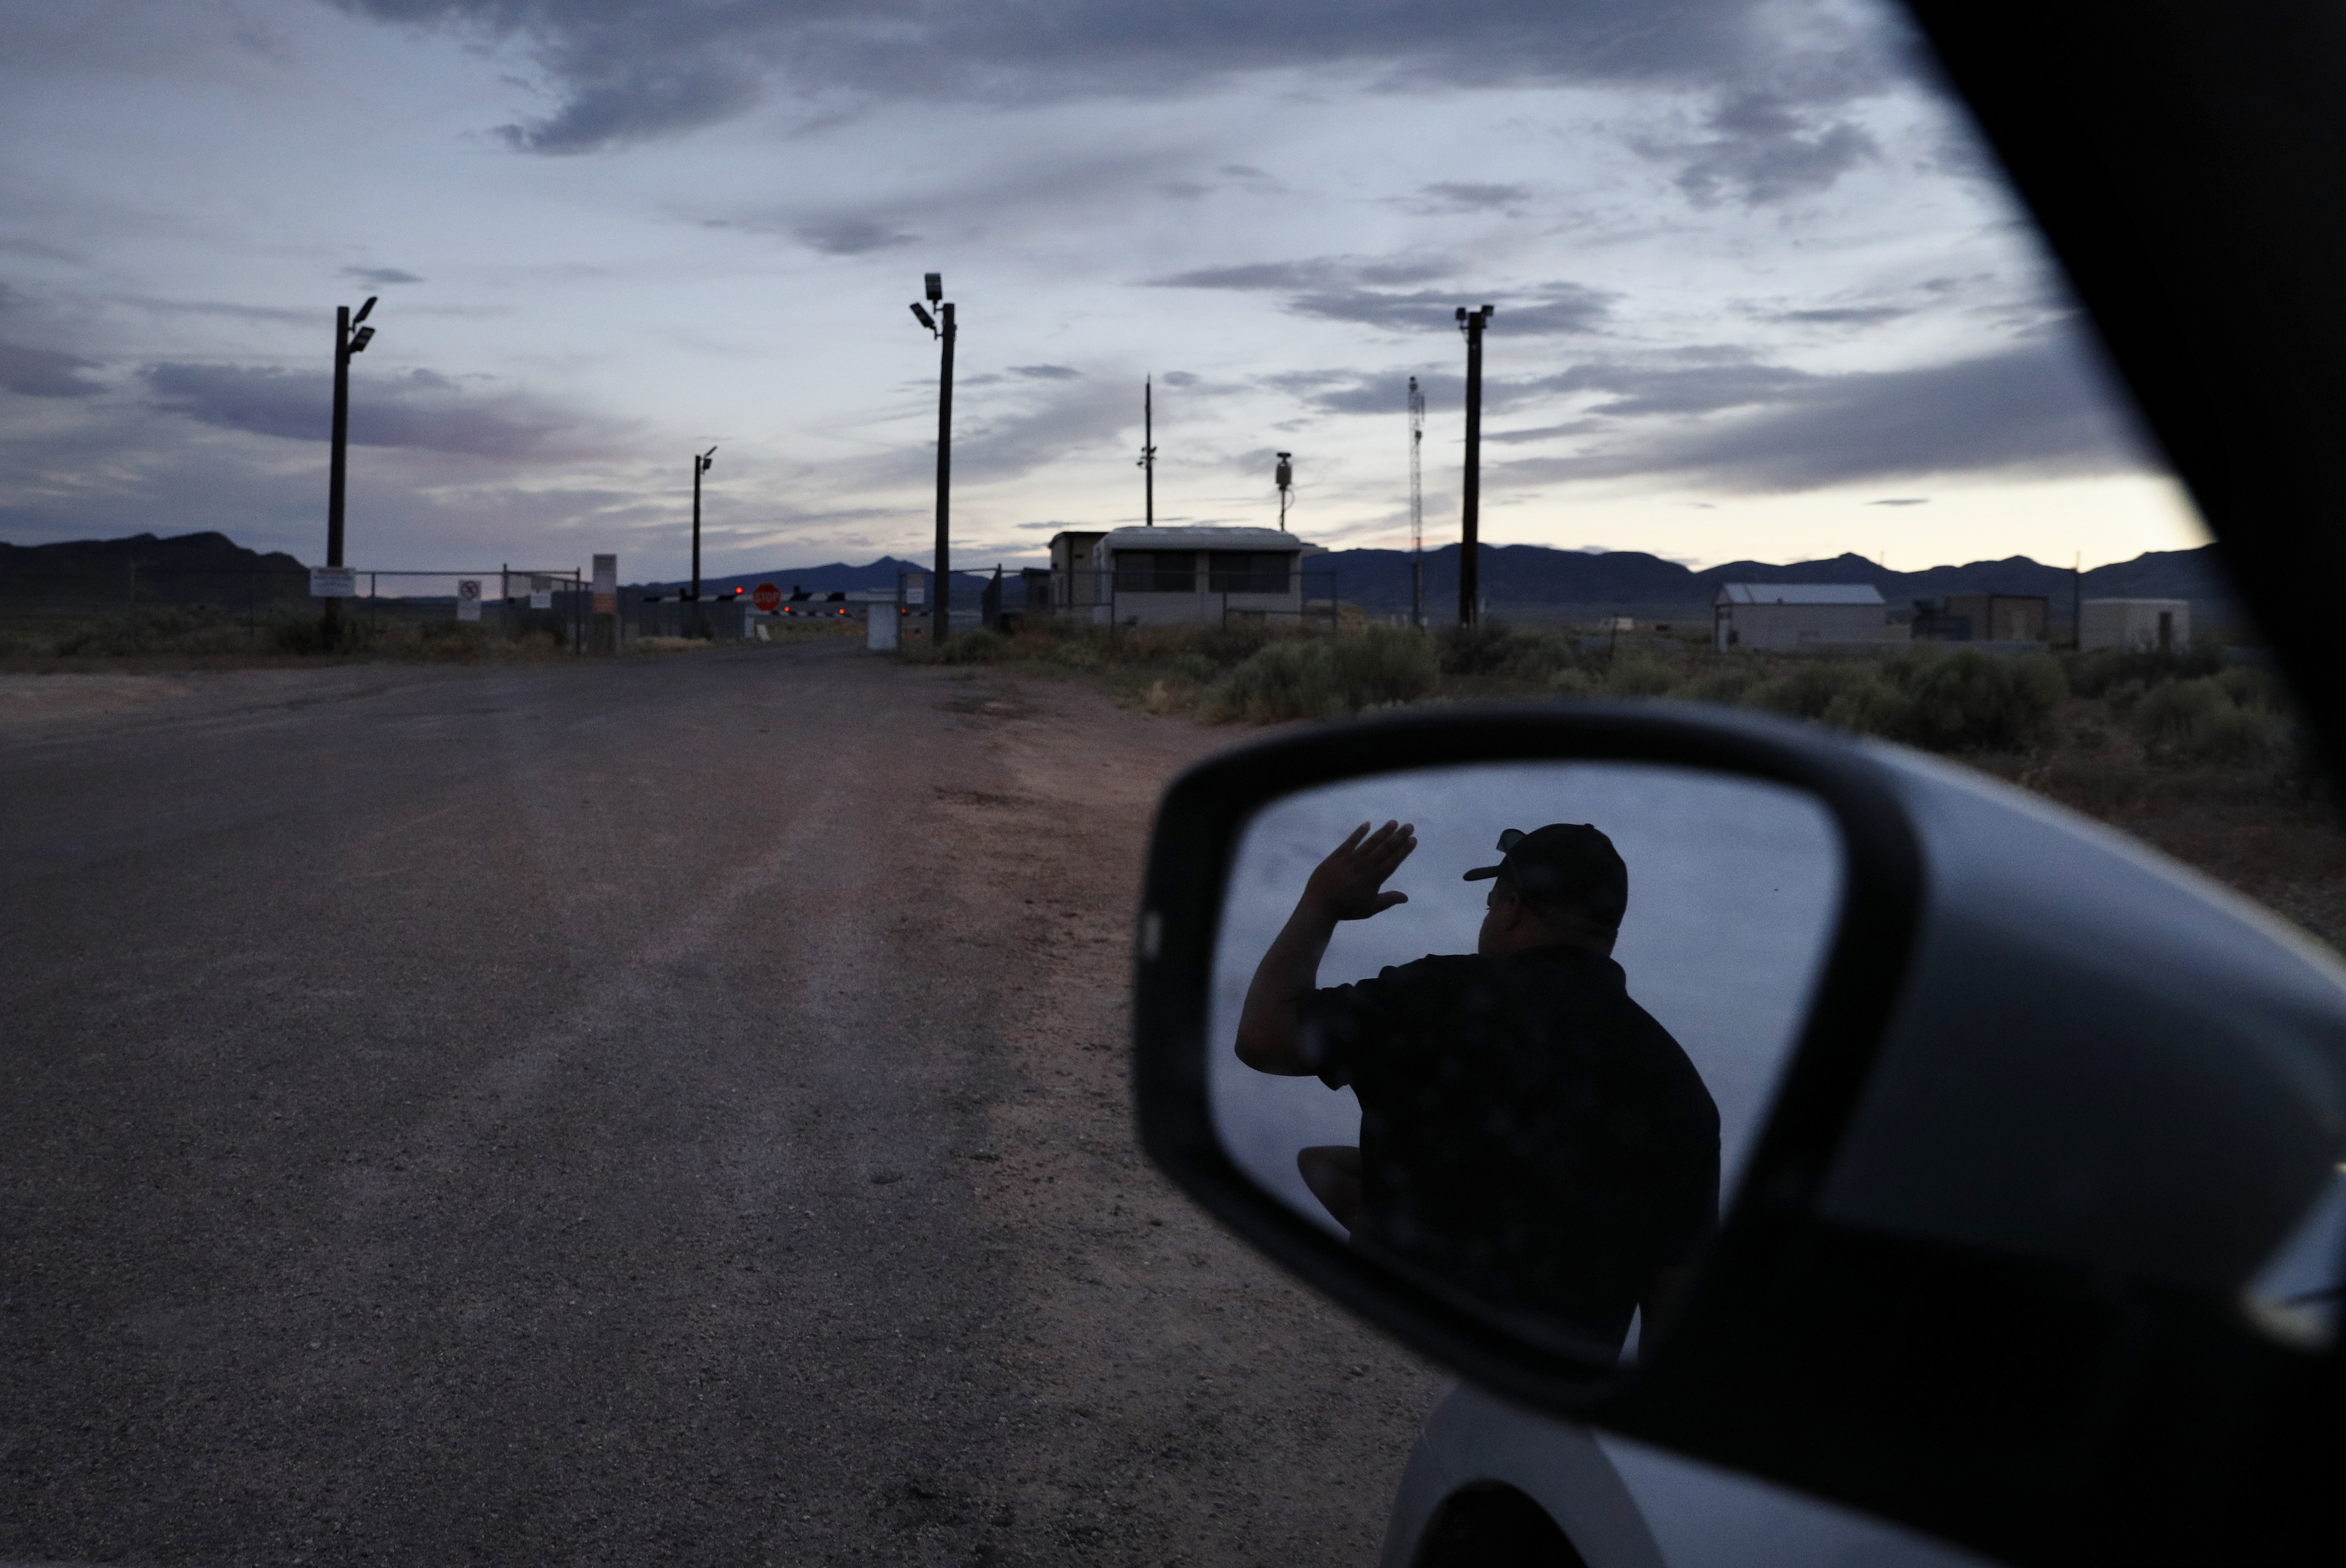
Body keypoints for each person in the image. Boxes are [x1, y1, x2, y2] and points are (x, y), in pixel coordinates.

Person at [1235, 819, 1719, 1354]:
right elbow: (1673, 1287)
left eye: (1489, 904)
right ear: (1607, 930)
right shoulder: (1675, 1082)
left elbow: (1264, 1038)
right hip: (1541, 1394)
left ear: (1511, 907)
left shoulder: (1441, 998)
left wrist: (1320, 904)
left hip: (1395, 1339)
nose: (1489, 918)